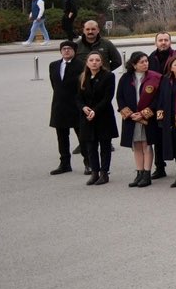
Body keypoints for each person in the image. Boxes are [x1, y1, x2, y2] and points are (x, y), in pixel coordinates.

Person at [117, 51, 162, 187]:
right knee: (136, 145)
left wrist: (144, 113)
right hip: (131, 117)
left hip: (147, 117)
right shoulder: (125, 78)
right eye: (142, 62)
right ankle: (139, 173)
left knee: (146, 144)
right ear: (134, 64)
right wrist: (129, 114)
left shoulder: (155, 77)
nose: (145, 64)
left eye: (146, 61)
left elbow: (158, 99)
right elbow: (120, 97)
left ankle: (147, 174)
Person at [74, 49, 117, 185]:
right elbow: (78, 98)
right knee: (91, 147)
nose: (94, 63)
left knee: (104, 146)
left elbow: (107, 98)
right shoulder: (82, 77)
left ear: (101, 62)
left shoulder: (108, 76)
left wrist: (95, 111)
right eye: (91, 60)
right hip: (87, 117)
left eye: (97, 60)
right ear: (87, 62)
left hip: (103, 115)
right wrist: (83, 107)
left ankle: (104, 173)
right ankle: (94, 172)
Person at [48, 39, 83, 175]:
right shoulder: (54, 65)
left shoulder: (81, 65)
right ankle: (65, 163)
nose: (66, 51)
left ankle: (88, 163)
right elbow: (55, 84)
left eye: (69, 48)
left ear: (74, 51)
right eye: (64, 49)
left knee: (82, 136)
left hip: (75, 105)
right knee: (62, 137)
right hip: (59, 105)